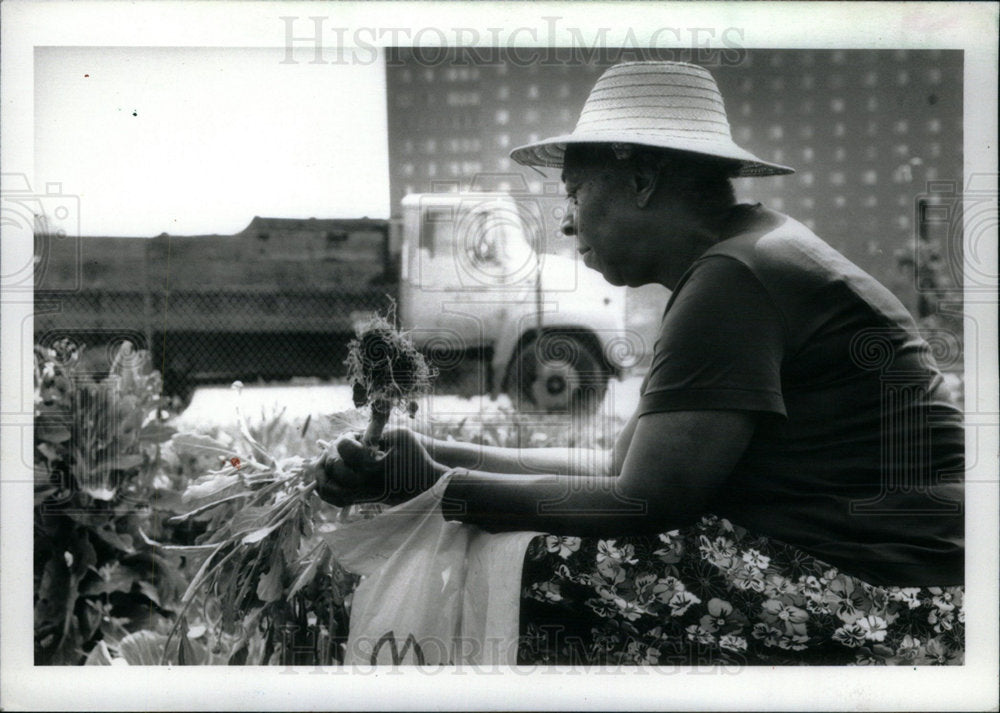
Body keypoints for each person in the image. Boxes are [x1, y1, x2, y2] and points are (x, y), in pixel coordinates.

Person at [315, 61, 965, 665]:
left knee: (537, 569)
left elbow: (639, 500)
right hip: (897, 566)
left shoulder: (737, 276)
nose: (567, 224)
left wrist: (445, 492)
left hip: (903, 592)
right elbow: (619, 469)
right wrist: (432, 457)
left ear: (642, 179)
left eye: (574, 194)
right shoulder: (740, 256)